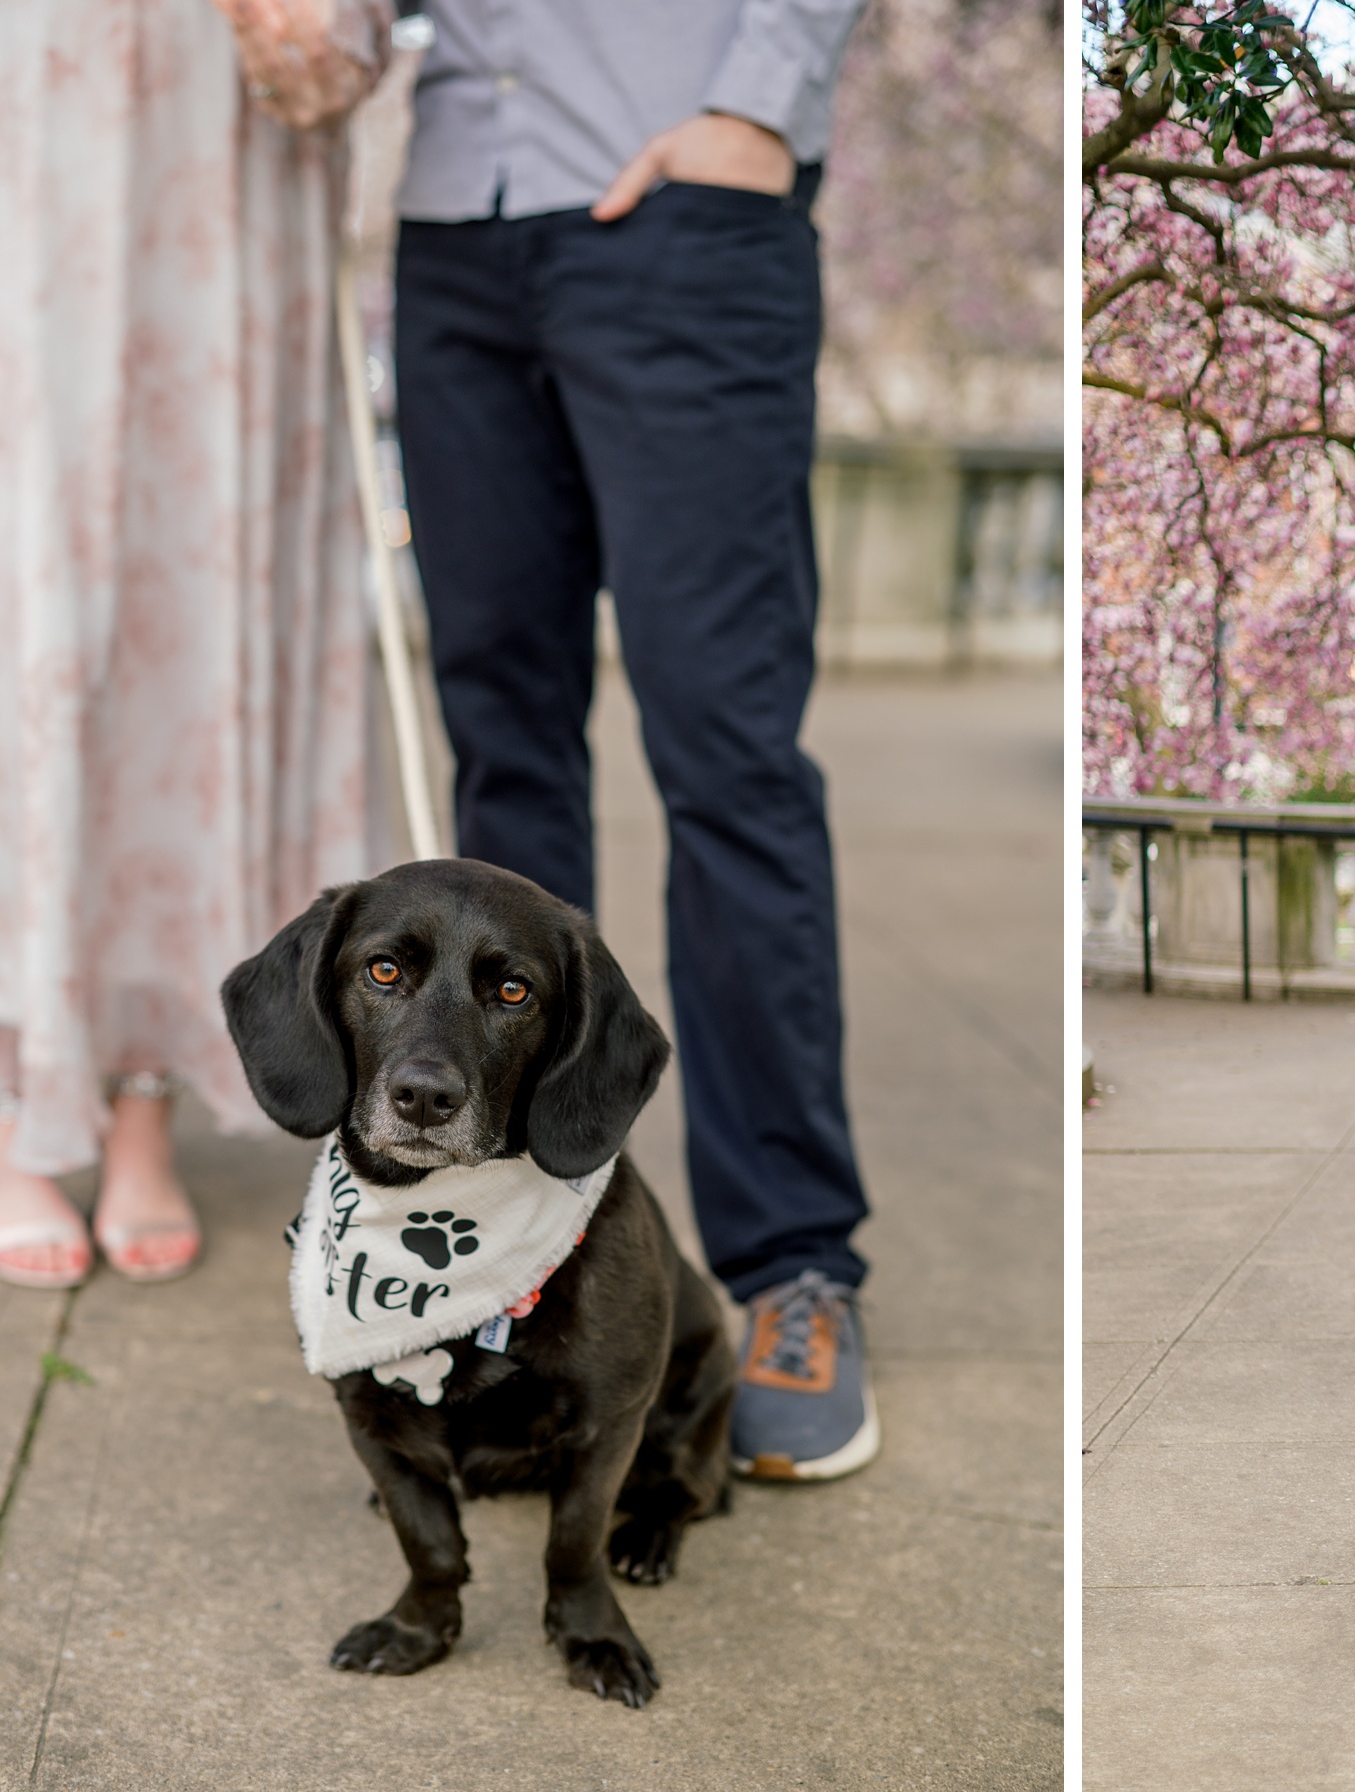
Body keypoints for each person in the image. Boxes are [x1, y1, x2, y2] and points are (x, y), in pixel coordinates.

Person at [387, 0, 878, 1481]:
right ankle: (516, 1251)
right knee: (503, 758)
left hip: (684, 204)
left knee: (726, 758)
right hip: (455, 214)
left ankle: (795, 1265)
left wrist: (761, 104)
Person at [0, 0, 389, 1289]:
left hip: (227, 162)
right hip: (21, 149)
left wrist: (340, 27)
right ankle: (1, 1093)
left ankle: (149, 1084)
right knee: (26, 611)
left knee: (200, 618)